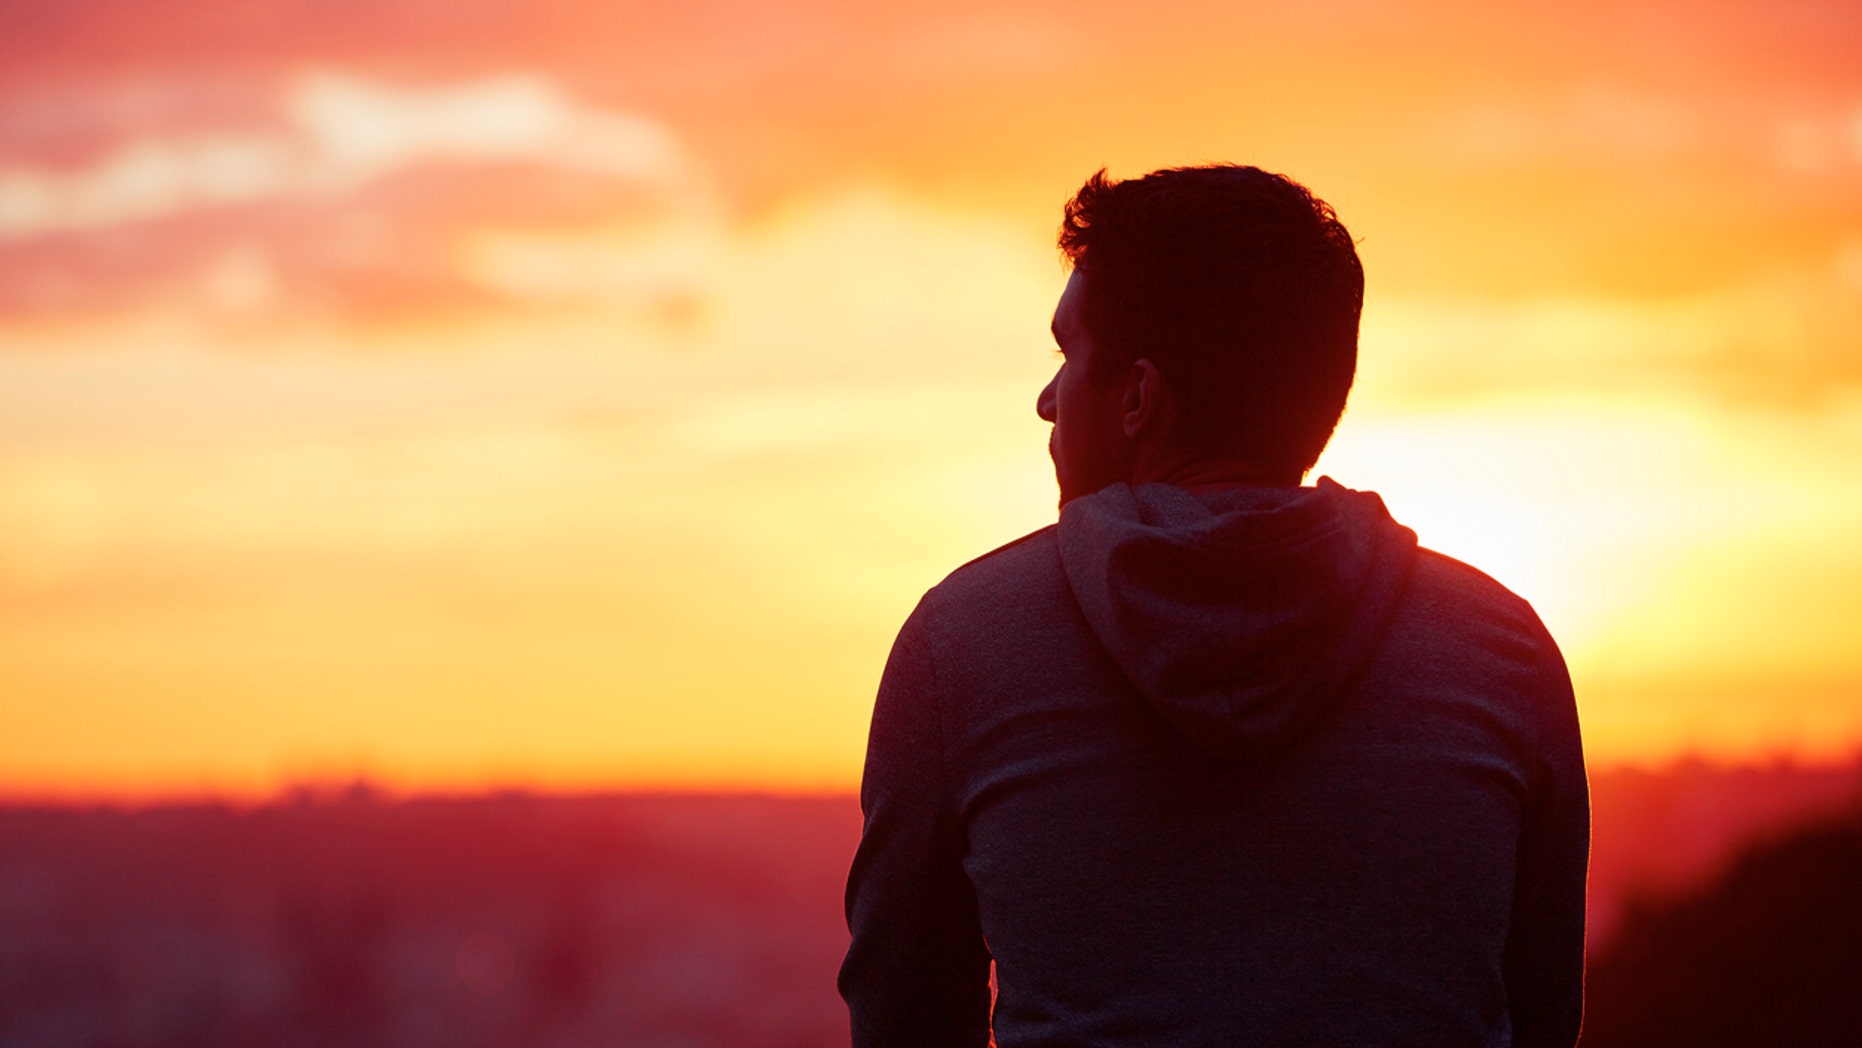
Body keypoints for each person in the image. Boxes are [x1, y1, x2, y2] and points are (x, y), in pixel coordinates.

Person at [839, 165, 1588, 1048]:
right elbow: (1541, 1015)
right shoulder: (1503, 655)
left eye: (1065, 356)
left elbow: (904, 1017)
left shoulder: (960, 647)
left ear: (1136, 398)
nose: (1046, 399)